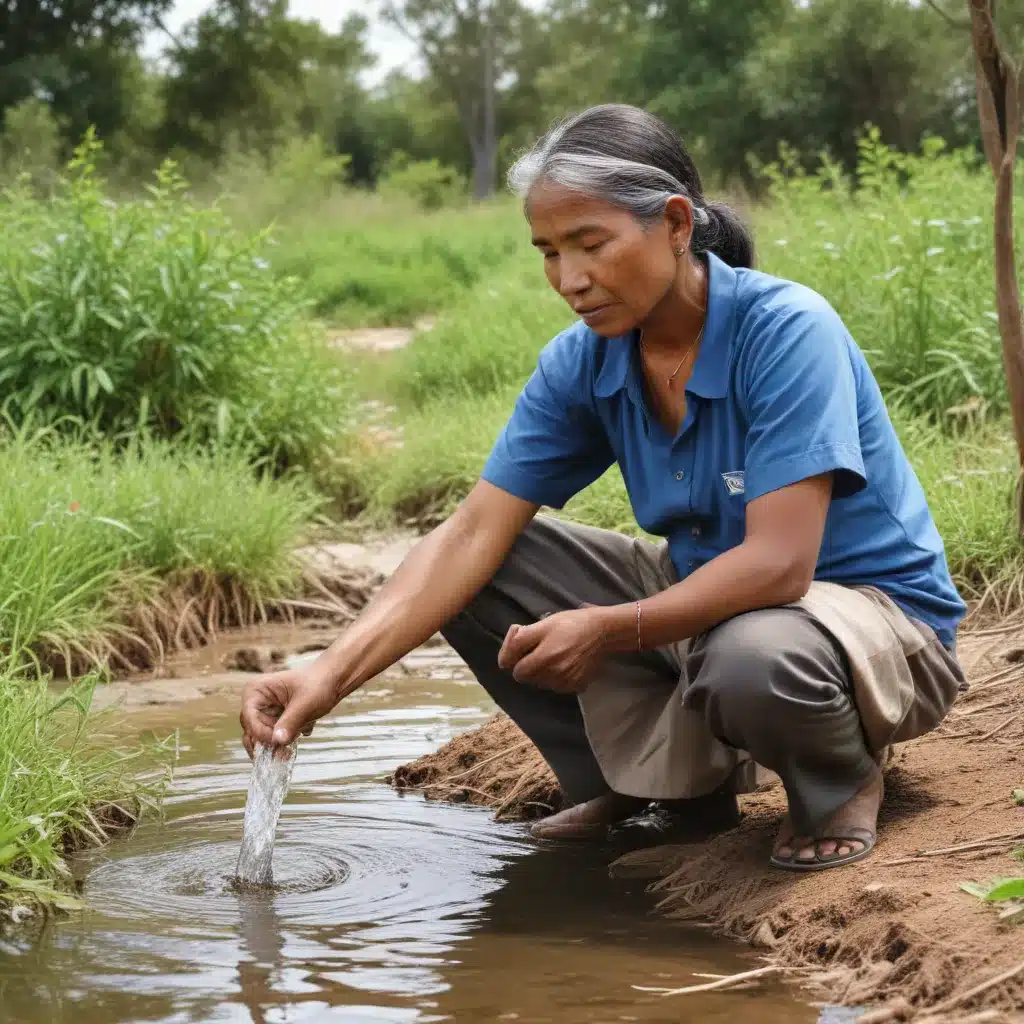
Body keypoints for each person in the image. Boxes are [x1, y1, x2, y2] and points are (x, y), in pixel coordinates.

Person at [240, 104, 967, 872]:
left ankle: (838, 781)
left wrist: (609, 627)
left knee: (753, 656)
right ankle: (659, 789)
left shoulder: (785, 330)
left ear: (677, 224)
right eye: (549, 252)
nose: (570, 280)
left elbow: (782, 567)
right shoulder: (587, 358)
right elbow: (469, 533)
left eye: (592, 244)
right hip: (721, 600)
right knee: (488, 571)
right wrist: (326, 674)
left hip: (868, 626)